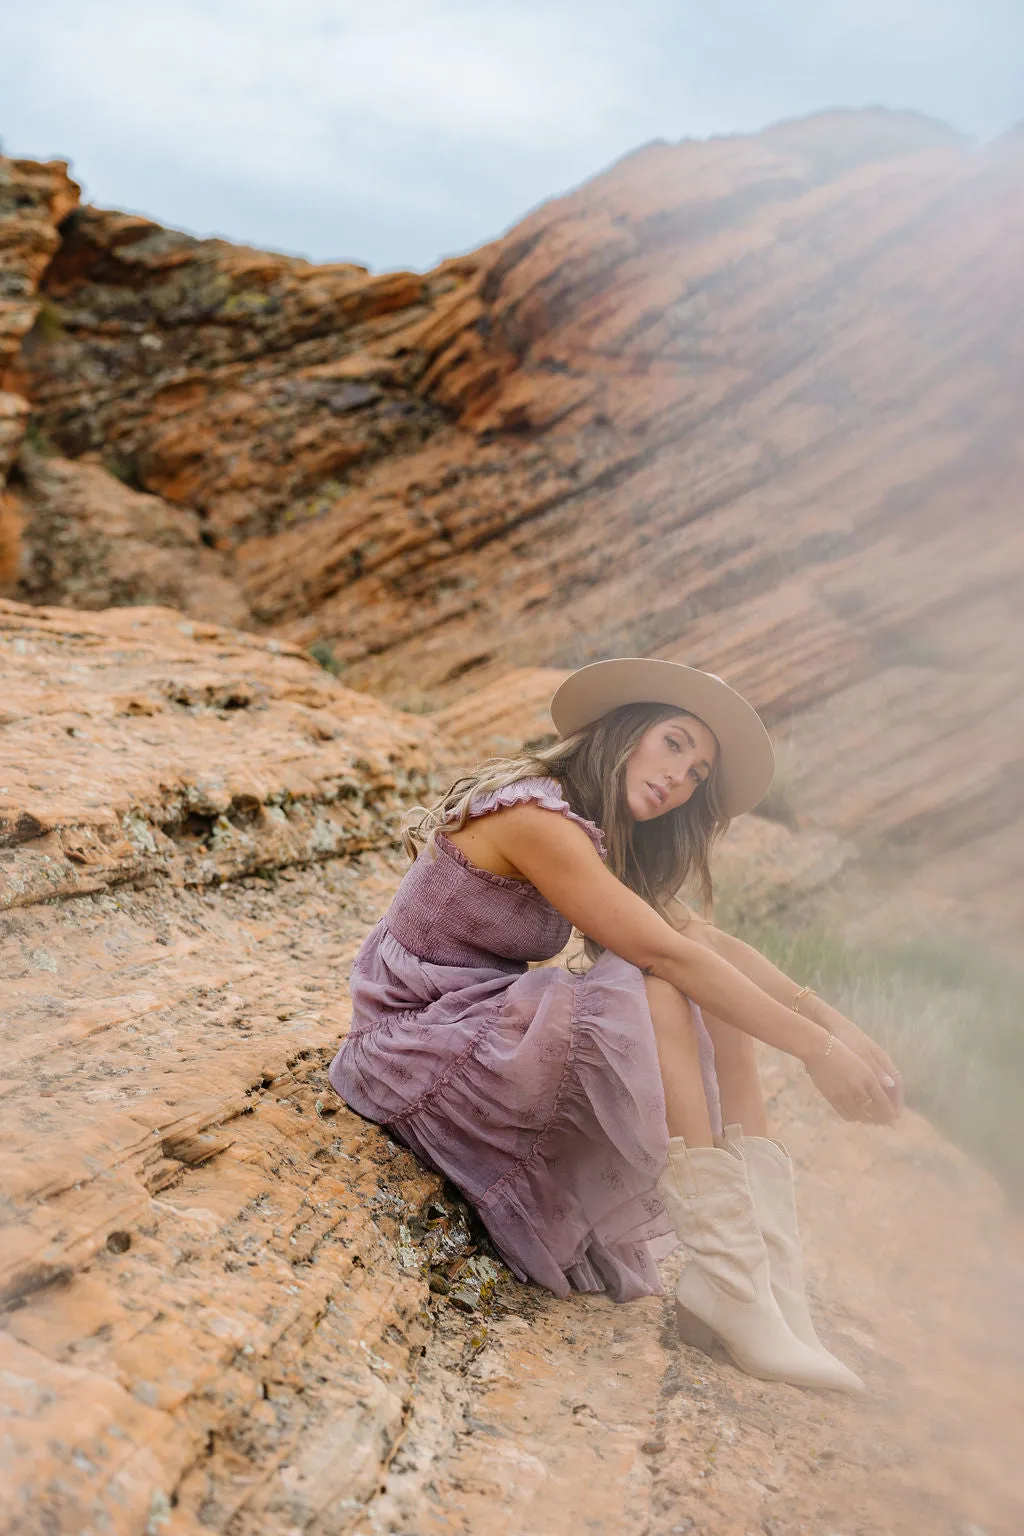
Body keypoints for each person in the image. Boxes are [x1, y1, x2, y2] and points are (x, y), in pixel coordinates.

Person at [328, 659, 902, 1392]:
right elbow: (665, 954)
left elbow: (709, 943)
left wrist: (833, 1025)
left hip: (474, 1030)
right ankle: (728, 1277)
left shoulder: (589, 824)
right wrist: (817, 1053)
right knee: (663, 986)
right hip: (414, 1045)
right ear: (626, 730)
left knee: (702, 984)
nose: (680, 778)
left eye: (697, 772)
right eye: (673, 743)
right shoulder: (536, 819)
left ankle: (762, 1276)